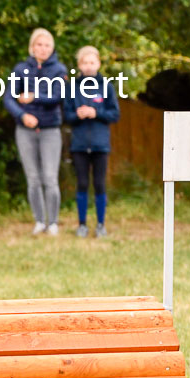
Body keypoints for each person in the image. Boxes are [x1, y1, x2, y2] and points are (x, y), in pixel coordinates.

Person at [3, 27, 67, 235]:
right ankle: (39, 221)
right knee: (33, 178)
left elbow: (57, 96)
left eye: (47, 44)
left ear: (52, 48)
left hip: (50, 130)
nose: (43, 48)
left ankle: (54, 222)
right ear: (32, 47)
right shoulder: (20, 69)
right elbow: (8, 98)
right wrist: (23, 116)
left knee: (50, 177)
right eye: (39, 44)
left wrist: (33, 96)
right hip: (25, 131)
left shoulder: (60, 71)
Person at [63, 45, 120, 237]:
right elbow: (66, 115)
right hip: (79, 144)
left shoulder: (107, 87)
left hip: (100, 144)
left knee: (99, 183)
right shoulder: (72, 87)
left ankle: (101, 225)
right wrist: (77, 114)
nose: (88, 66)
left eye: (92, 62)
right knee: (82, 184)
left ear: (98, 64)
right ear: (79, 65)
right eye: (85, 62)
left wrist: (96, 112)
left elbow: (115, 114)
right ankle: (82, 225)